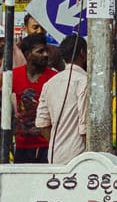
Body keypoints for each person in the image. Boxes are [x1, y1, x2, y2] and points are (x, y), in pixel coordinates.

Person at [36, 34, 88, 164]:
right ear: (83, 53)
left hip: (55, 156)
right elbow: (84, 128)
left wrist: (58, 141)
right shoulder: (84, 81)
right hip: (79, 158)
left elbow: (41, 123)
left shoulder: (49, 84)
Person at [11, 33, 56, 163]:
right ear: (27, 54)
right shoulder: (14, 75)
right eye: (40, 52)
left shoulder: (54, 77)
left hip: (46, 145)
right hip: (22, 145)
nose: (45, 55)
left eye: (46, 51)